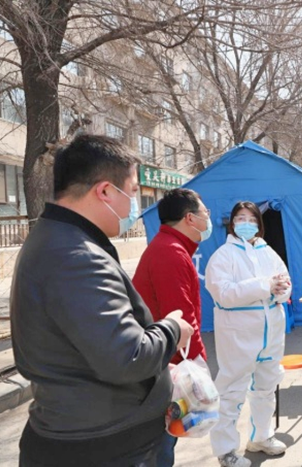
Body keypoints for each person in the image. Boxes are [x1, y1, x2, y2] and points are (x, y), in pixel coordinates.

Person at [10, 134, 194, 467]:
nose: (134, 206)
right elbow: (128, 356)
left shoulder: (60, 239)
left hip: (89, 432)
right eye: (134, 192)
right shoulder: (76, 256)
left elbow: (96, 343)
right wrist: (171, 330)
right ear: (106, 191)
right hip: (106, 445)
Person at [205, 201, 292, 467]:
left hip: (271, 331)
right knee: (231, 392)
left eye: (252, 219)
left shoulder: (269, 252)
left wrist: (281, 291)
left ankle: (261, 437)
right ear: (232, 223)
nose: (247, 223)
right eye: (241, 218)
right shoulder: (223, 256)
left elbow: (286, 282)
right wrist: (265, 285)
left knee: (266, 387)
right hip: (239, 334)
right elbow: (224, 293)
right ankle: (226, 450)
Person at [132, 187, 211, 466]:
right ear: (190, 219)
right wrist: (198, 366)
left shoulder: (171, 248)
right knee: (160, 447)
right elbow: (180, 320)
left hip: (162, 362)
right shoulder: (171, 253)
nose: (208, 218)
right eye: (205, 213)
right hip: (164, 368)